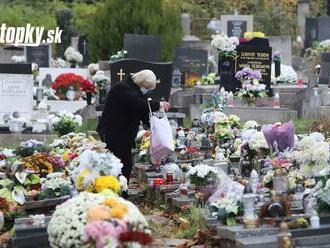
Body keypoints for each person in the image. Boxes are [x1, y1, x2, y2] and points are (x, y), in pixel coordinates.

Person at [97, 69, 170, 182]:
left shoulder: (134, 89)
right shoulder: (122, 88)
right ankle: (119, 193)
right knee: (121, 165)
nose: (147, 91)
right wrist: (159, 104)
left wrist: (155, 126)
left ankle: (121, 192)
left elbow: (141, 111)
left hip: (124, 134)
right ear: (141, 83)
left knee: (125, 165)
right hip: (114, 133)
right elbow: (137, 104)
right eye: (147, 88)